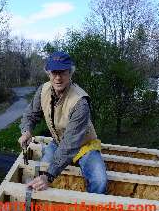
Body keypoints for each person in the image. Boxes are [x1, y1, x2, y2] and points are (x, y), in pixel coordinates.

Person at [18, 51, 107, 194]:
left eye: (63, 73)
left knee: (100, 180)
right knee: (41, 171)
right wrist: (26, 130)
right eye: (54, 73)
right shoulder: (43, 90)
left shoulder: (80, 102)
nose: (58, 78)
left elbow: (71, 144)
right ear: (48, 73)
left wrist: (49, 175)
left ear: (70, 73)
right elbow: (31, 114)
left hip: (84, 146)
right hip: (59, 142)